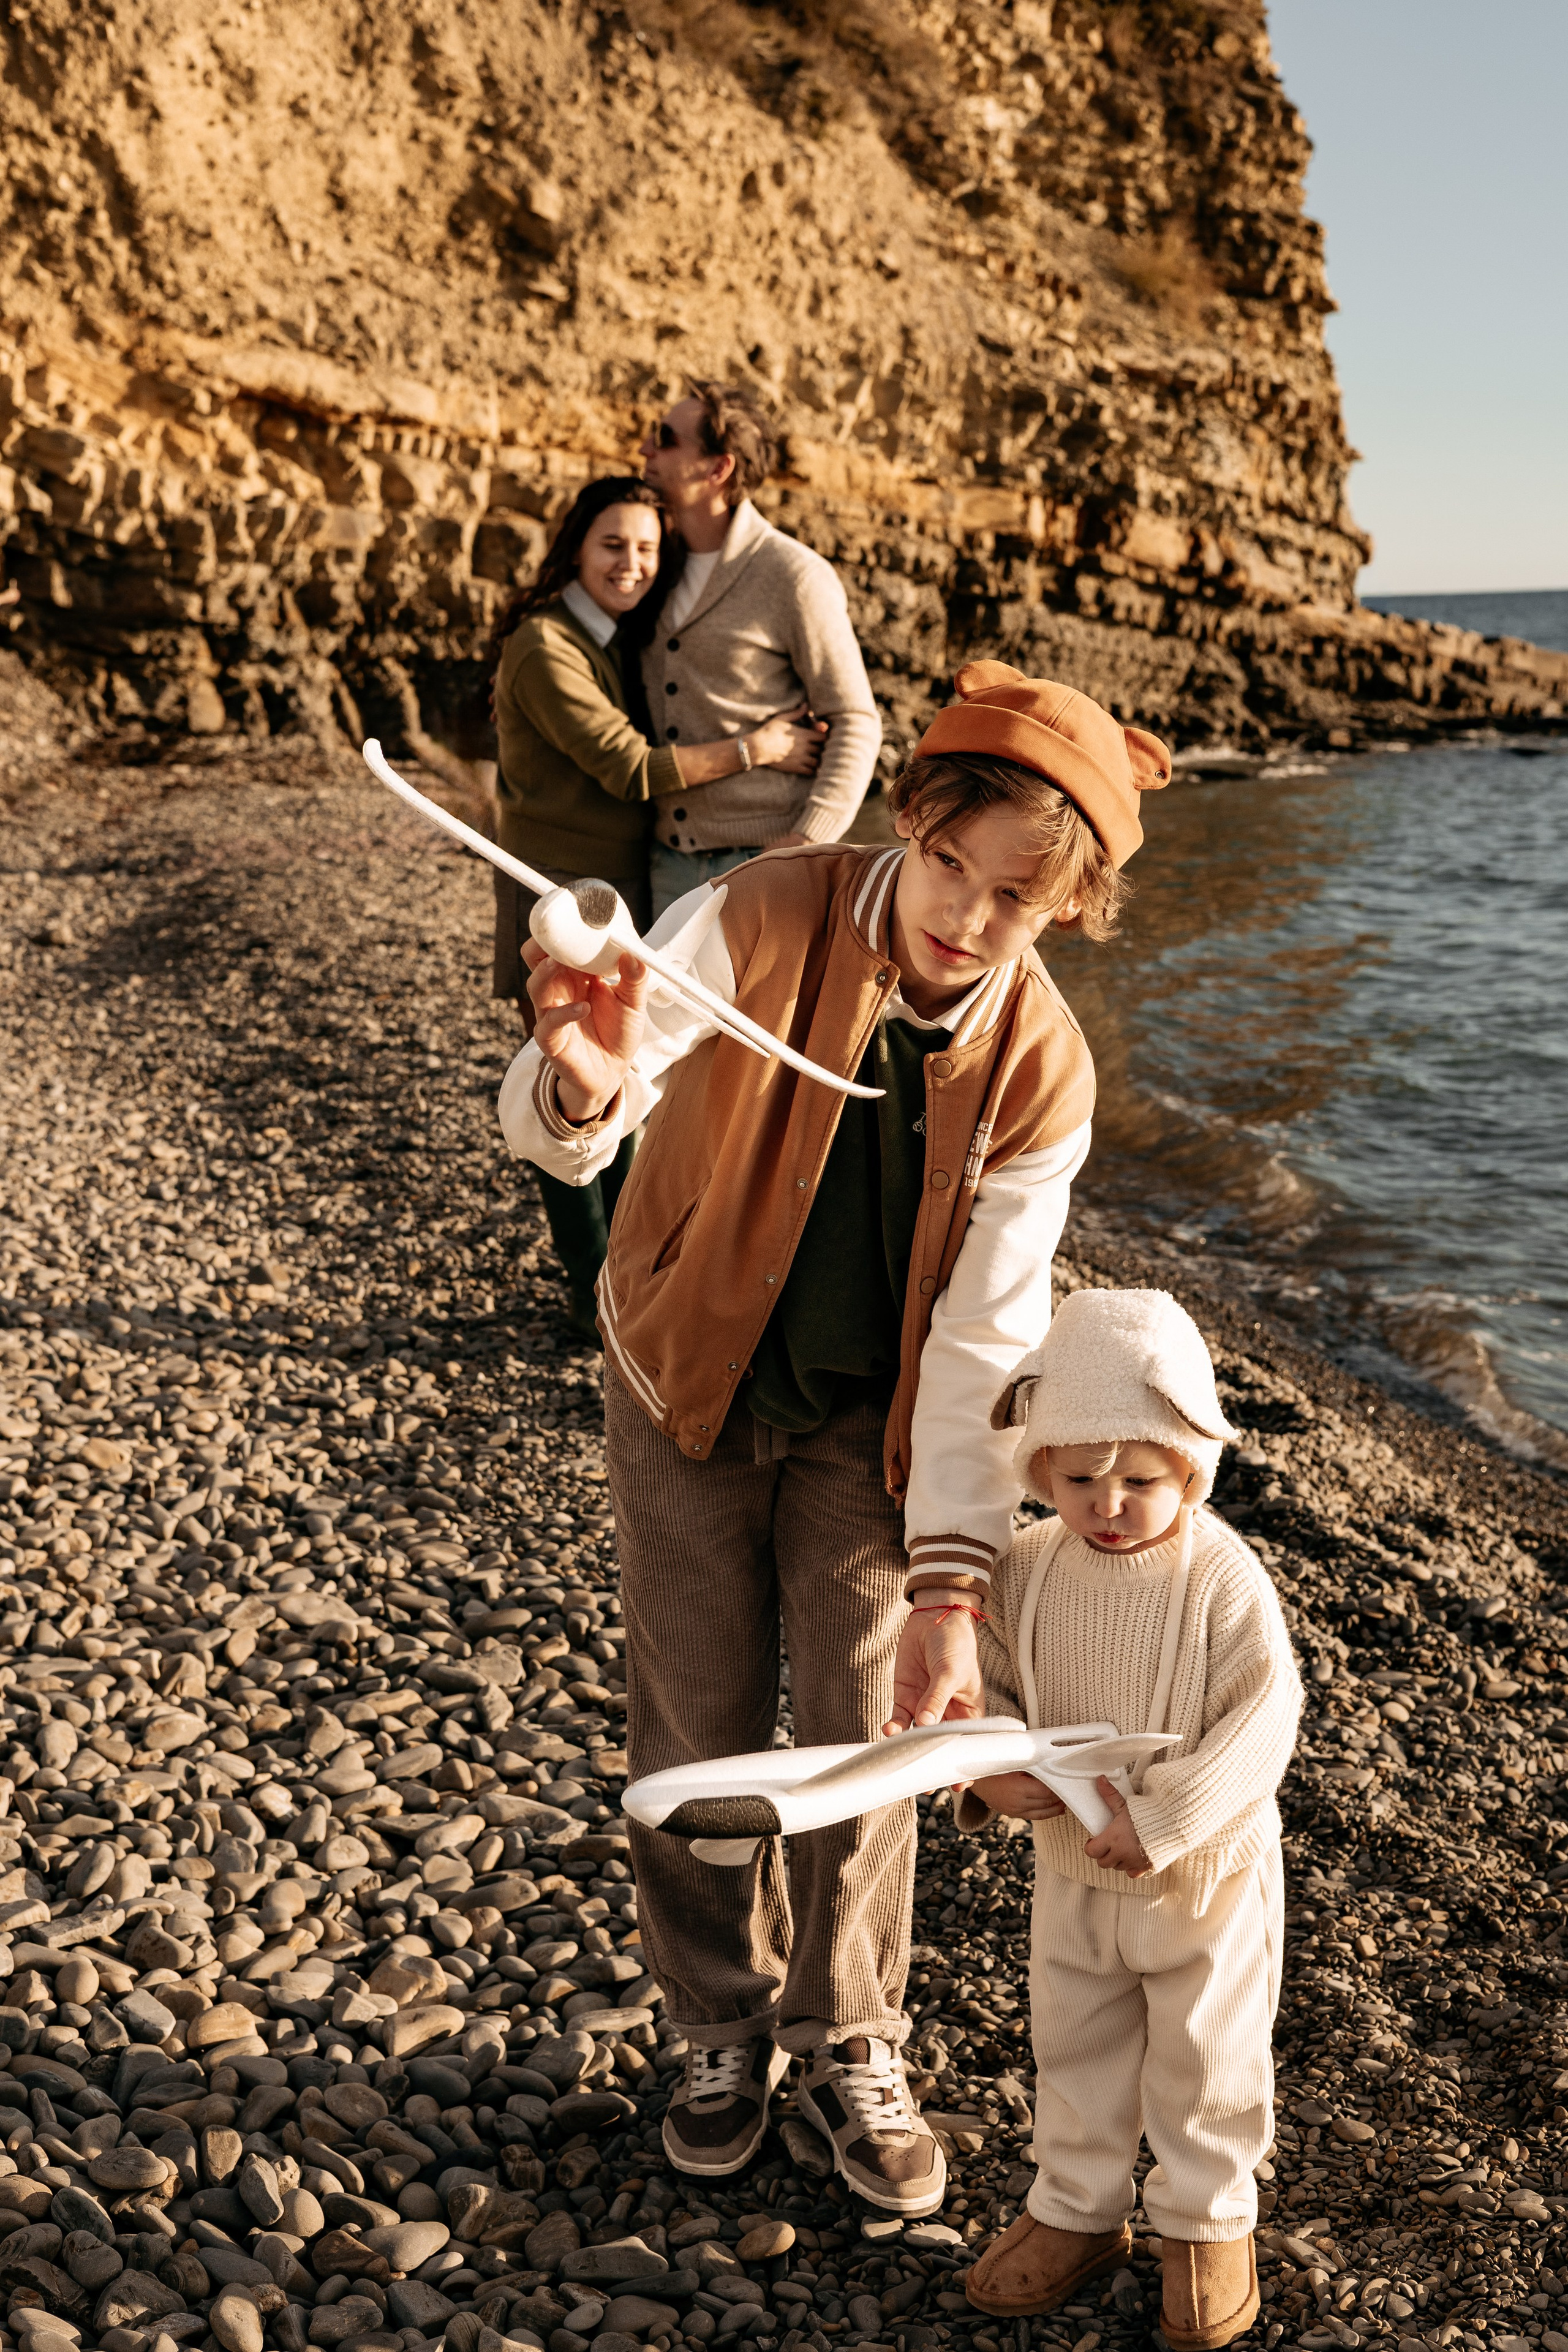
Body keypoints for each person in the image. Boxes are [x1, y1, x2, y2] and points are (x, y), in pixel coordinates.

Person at [497, 660, 1173, 2214]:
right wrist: (580, 1087)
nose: (963, 916)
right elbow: (584, 1098)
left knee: (874, 1736)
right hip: (681, 1378)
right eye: (946, 863)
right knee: (696, 1715)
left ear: (1065, 910)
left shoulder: (1044, 1072)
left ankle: (849, 2030)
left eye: (1014, 898)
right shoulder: (757, 911)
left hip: (873, 1431)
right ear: (908, 817)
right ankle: (714, 2025)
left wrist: (953, 1582)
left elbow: (984, 1343)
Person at [959, 1286, 1302, 2351]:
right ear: (1042, 1469)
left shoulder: (1221, 1576)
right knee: (1076, 2043)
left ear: (1189, 1470)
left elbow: (1265, 1714)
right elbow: (988, 1693)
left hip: (1204, 1879)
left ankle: (1207, 2221)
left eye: (1141, 1481)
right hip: (1072, 1868)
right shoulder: (1026, 1568)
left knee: (1207, 2056)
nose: (1109, 1504)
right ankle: (1078, 2206)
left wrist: (1166, 1819)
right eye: (1080, 1480)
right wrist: (990, 1774)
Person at [489, 473, 823, 1339]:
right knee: (562, 1087)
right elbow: (628, 767)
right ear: (575, 547)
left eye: (647, 548)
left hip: (615, 898)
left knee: (616, 1092)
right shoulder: (545, 645)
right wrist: (762, 748)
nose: (632, 564)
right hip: (554, 901)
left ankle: (618, 1282)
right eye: (613, 544)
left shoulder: (608, 638)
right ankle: (591, 1293)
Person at [638, 379, 883, 918]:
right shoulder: (650, 564)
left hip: (764, 860)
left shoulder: (793, 575)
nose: (645, 449)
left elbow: (856, 719)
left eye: (665, 438)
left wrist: (807, 840)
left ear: (718, 469)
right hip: (667, 860)